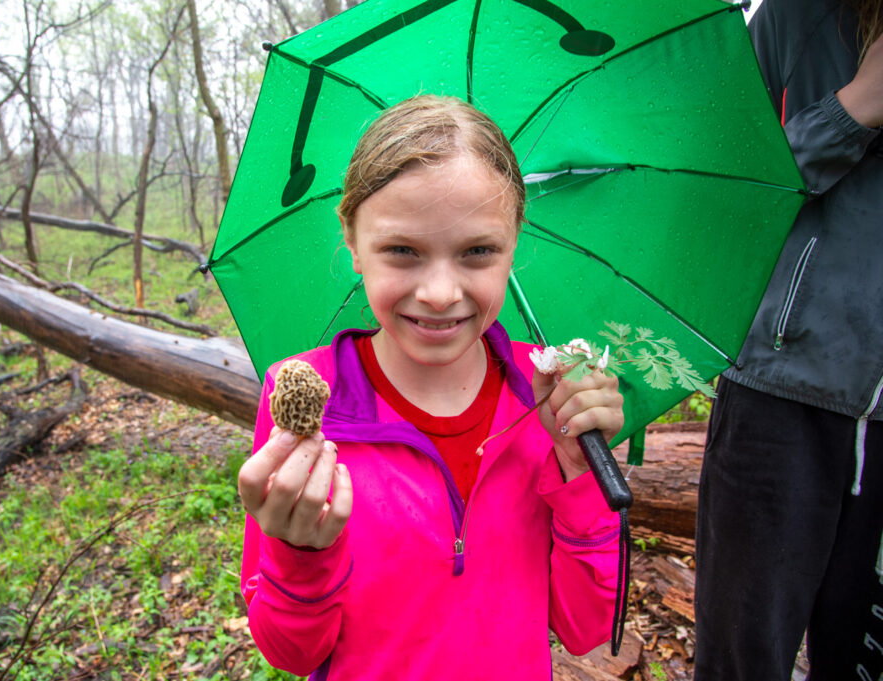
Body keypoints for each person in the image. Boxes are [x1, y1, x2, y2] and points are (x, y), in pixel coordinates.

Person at [236, 95, 626, 680]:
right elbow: (293, 655)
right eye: (402, 251)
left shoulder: (549, 397)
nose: (441, 293)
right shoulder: (312, 404)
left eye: (477, 251)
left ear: (514, 240)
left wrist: (581, 474)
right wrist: (301, 555)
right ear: (351, 239)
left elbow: (586, 628)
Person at [694, 0, 883, 679]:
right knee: (743, 652)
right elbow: (722, 186)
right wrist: (854, 108)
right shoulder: (792, 21)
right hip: (782, 389)